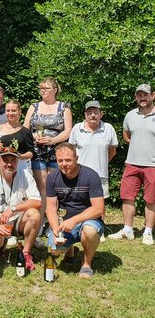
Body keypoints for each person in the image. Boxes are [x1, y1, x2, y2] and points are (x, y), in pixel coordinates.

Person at [23, 77, 72, 246]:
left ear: (55, 90)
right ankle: (40, 226)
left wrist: (52, 140)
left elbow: (68, 130)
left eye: (46, 88)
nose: (43, 91)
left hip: (56, 152)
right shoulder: (34, 107)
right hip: (37, 151)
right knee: (42, 188)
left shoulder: (63, 107)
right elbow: (25, 128)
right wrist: (34, 137)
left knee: (55, 188)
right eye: (41, 88)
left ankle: (54, 226)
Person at [46, 143, 104, 279]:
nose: (64, 164)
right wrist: (55, 230)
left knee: (89, 231)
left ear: (76, 158)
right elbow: (50, 207)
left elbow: (99, 209)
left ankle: (86, 263)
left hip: (89, 221)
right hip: (65, 224)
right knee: (54, 250)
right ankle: (70, 250)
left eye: (68, 160)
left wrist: (74, 220)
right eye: (60, 160)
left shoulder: (91, 176)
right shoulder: (52, 178)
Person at [0, 147, 41, 269]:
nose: (9, 164)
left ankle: (26, 253)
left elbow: (37, 201)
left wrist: (13, 208)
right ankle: (0, 247)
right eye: (5, 160)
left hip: (18, 220)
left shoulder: (25, 175)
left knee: (34, 214)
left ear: (17, 162)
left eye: (13, 160)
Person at [108, 84, 155, 245]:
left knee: (151, 199)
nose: (142, 98)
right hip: (132, 163)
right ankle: (128, 229)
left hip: (152, 165)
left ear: (152, 96)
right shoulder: (130, 115)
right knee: (127, 196)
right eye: (139, 95)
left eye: (145, 95)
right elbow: (126, 136)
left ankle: (148, 232)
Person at [69, 100, 118, 242]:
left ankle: (99, 230)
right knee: (79, 201)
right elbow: (71, 151)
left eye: (95, 112)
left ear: (101, 114)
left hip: (100, 173)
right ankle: (78, 227)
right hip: (79, 174)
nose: (92, 115)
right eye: (89, 112)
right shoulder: (77, 128)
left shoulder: (108, 128)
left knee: (100, 203)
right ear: (85, 114)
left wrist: (101, 163)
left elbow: (112, 151)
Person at [0, 99, 34, 169]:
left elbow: (30, 153)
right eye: (8, 111)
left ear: (19, 112)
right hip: (2, 167)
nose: (10, 113)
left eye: (13, 110)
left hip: (20, 167)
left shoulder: (25, 132)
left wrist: (18, 157)